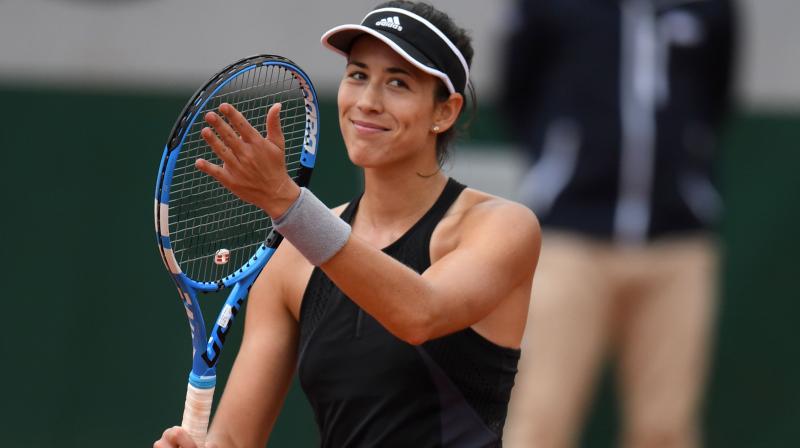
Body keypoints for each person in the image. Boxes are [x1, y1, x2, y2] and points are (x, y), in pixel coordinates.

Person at [154, 1, 540, 447]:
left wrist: (289, 205)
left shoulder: (502, 227)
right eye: (358, 75)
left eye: (398, 83)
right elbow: (235, 441)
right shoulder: (288, 261)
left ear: (444, 112)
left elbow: (420, 313)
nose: (368, 102)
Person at [499, 0, 737, 447]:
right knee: (540, 417)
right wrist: (561, 163)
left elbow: (717, 97)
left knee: (666, 426)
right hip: (568, 241)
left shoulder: (710, 9)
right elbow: (517, 90)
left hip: (678, 242)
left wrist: (687, 171)